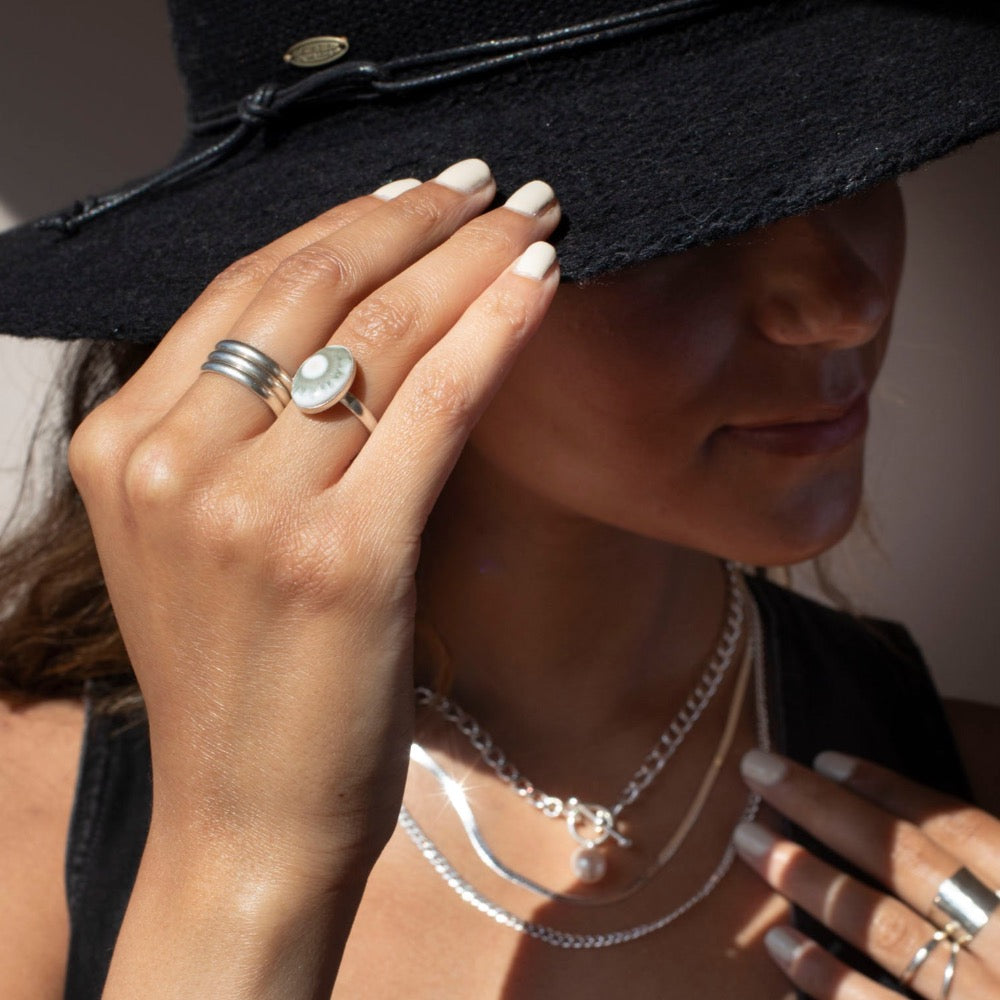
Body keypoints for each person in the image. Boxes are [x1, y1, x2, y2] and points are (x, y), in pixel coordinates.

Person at [1, 2, 999, 998]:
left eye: (860, 165)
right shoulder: (27, 820)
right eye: (684, 217)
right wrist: (244, 870)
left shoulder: (974, 806)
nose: (841, 307)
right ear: (363, 275)